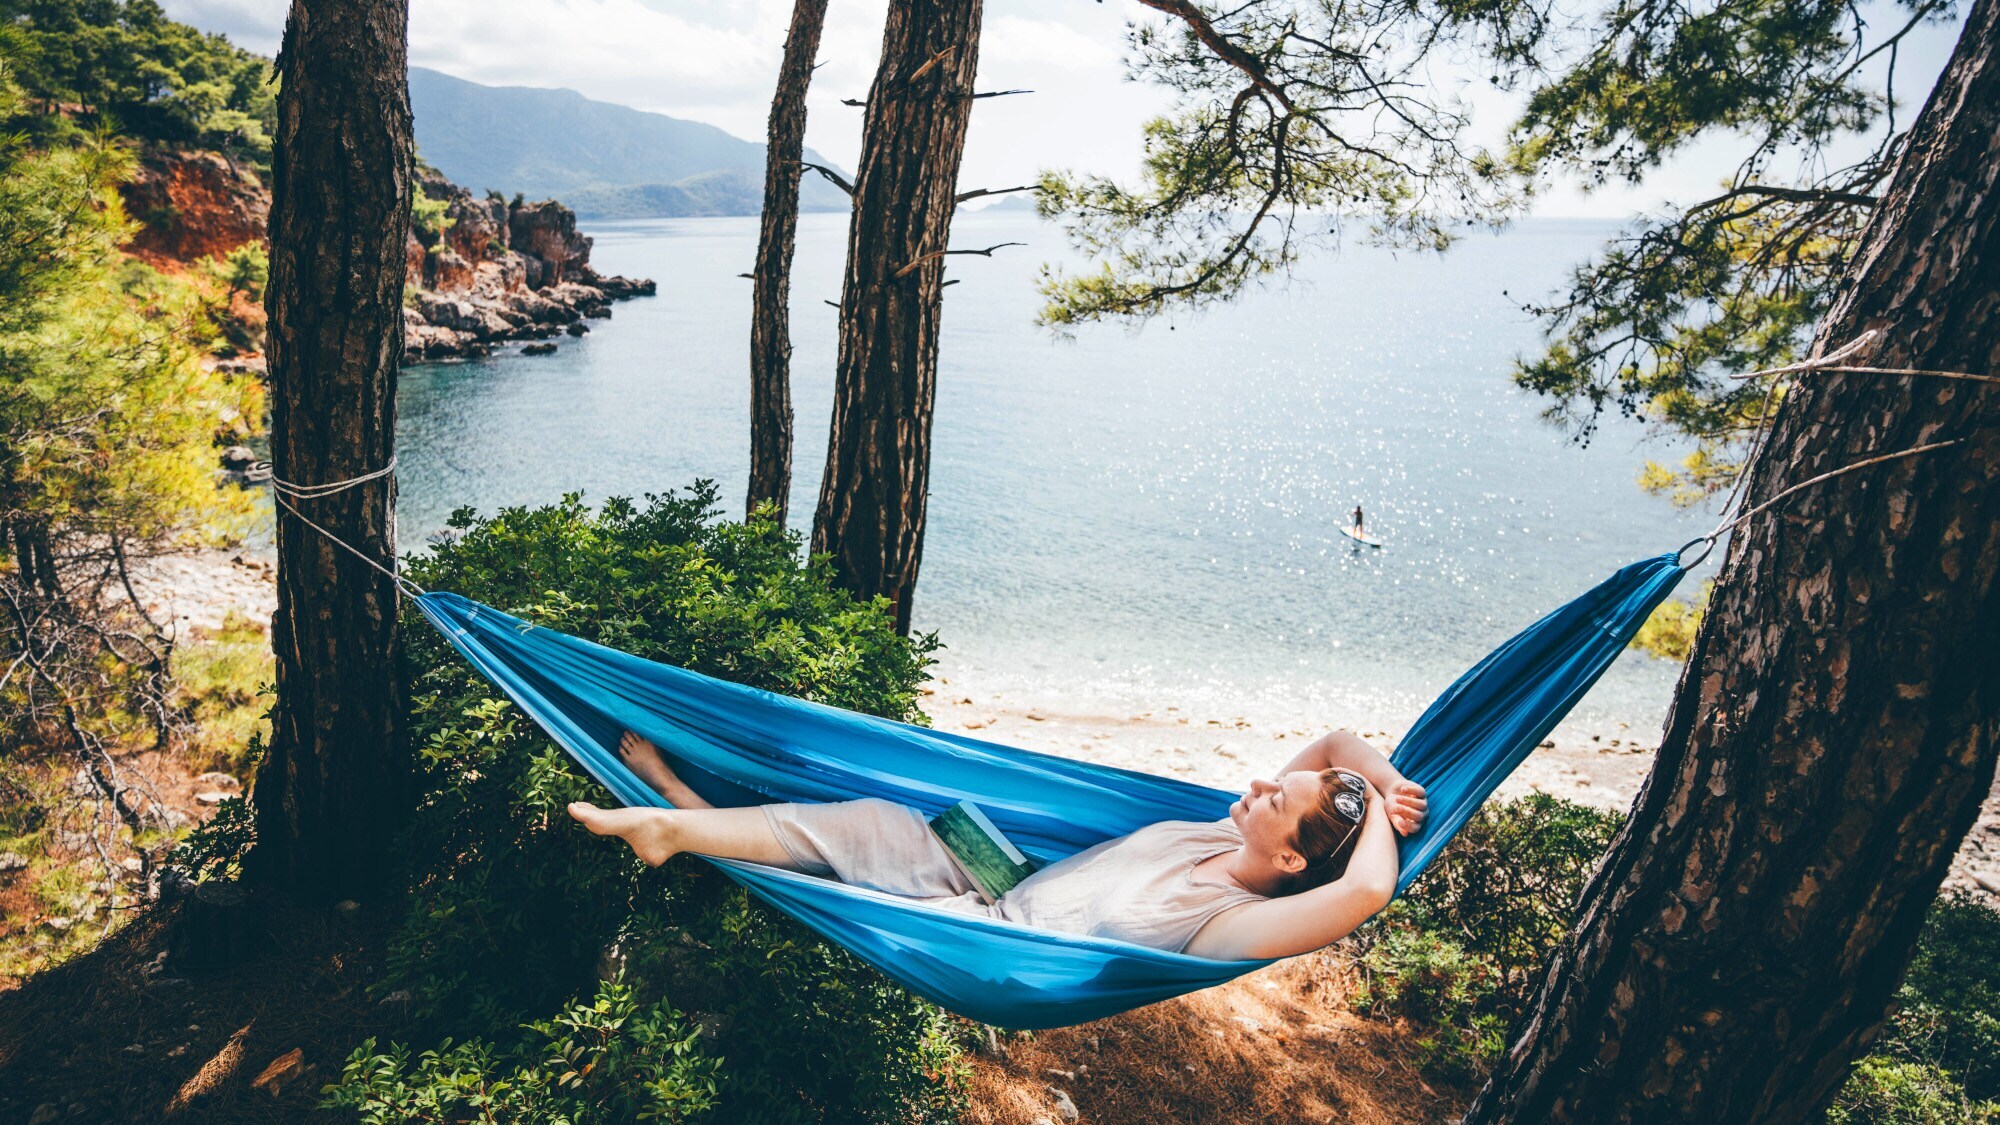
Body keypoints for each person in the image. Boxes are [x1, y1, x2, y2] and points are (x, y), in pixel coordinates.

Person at [567, 728, 1428, 962]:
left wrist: (1382, 831)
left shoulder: (1229, 923)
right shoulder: (1223, 828)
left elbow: (1362, 896)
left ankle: (674, 820)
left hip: (994, 939)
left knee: (849, 886)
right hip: (1001, 877)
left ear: (1290, 862)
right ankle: (675, 820)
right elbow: (1335, 740)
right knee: (870, 820)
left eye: (1282, 799)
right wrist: (1385, 784)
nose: (1267, 783)